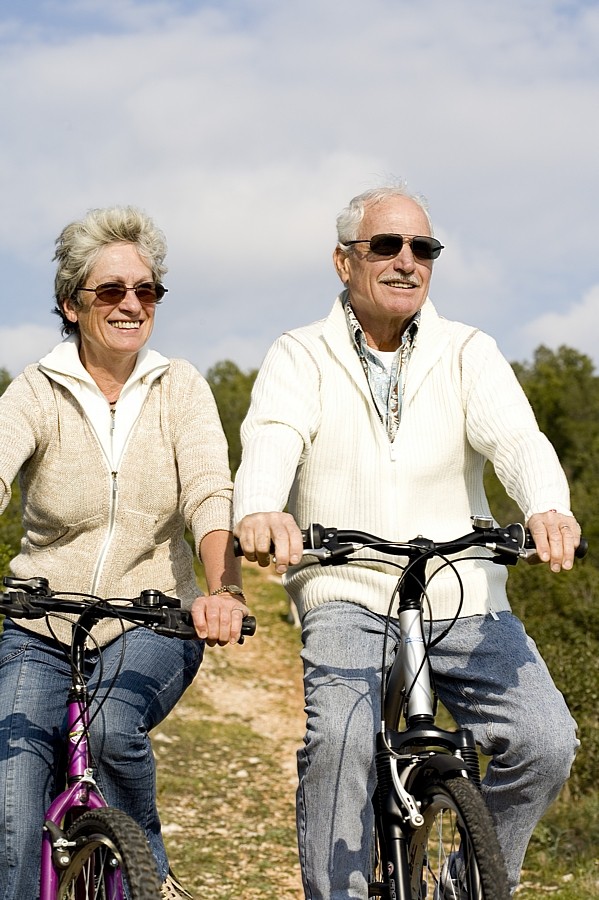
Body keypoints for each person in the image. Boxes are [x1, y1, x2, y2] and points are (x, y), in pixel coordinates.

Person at [233, 183, 582, 899]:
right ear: (343, 262)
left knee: (546, 744)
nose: (405, 261)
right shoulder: (300, 354)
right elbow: (271, 436)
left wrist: (548, 505)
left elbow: (514, 437)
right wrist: (261, 507)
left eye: (421, 248)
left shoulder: (466, 351)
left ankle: (469, 881)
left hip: (462, 591)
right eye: (385, 246)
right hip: (348, 589)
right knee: (341, 743)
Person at [0, 206, 249, 900]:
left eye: (146, 291)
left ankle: (148, 876)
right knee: (12, 796)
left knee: (111, 731)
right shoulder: (36, 390)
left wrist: (224, 589)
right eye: (111, 291)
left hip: (151, 618)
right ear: (70, 304)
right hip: (40, 624)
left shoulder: (181, 387)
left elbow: (208, 493)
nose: (132, 304)